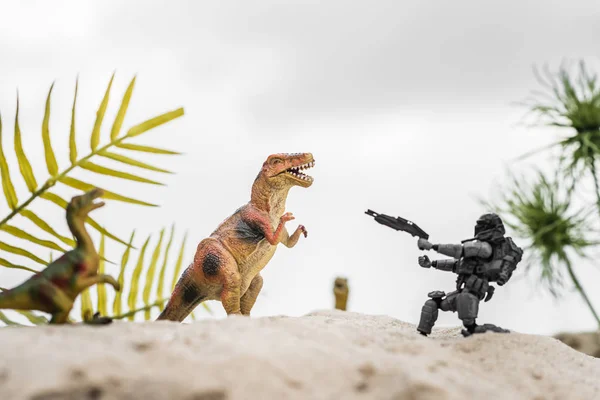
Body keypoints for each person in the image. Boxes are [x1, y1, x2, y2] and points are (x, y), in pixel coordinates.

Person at [415, 213, 523, 337]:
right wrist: (432, 264)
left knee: (469, 322)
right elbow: (457, 265)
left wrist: (431, 246)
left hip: (474, 290)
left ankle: (484, 332)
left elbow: (457, 250)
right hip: (465, 290)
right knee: (433, 304)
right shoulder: (478, 253)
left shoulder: (485, 248)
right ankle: (422, 335)